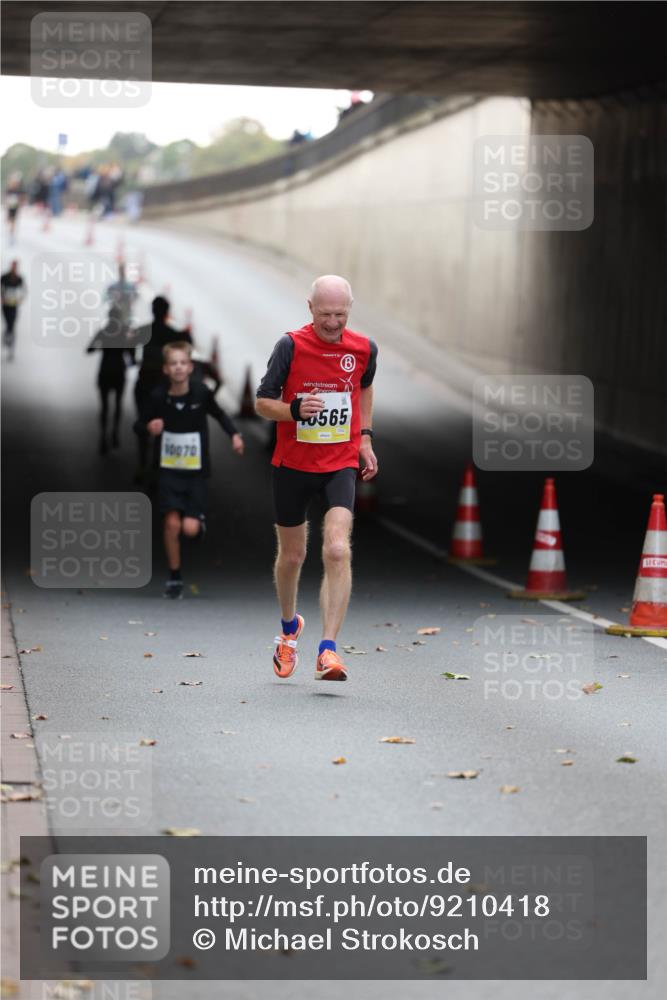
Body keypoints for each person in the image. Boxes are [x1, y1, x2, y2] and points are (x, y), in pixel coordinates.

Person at [255, 274, 378, 682]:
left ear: (350, 309)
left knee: (338, 548)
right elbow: (261, 403)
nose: (332, 323)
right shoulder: (290, 345)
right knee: (292, 557)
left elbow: (364, 388)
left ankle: (328, 651)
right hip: (292, 463)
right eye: (325, 314)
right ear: (310, 308)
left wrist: (363, 438)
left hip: (339, 462)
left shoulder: (363, 348)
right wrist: (292, 410)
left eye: (340, 315)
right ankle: (290, 630)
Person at [137, 342, 244, 599]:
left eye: (183, 363)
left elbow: (220, 414)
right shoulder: (158, 397)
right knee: (171, 524)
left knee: (189, 529)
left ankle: (198, 525)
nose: (178, 368)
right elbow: (138, 425)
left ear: (190, 366)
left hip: (196, 473)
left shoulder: (200, 393)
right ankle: (175, 577)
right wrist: (149, 427)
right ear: (166, 368)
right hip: (168, 472)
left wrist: (235, 435)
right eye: (173, 363)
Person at [133, 296, 192, 482]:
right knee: (163, 428)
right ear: (167, 312)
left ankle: (143, 466)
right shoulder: (172, 334)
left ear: (152, 310)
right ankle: (155, 468)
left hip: (144, 383)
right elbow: (188, 343)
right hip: (162, 386)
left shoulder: (143, 331)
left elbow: (126, 346)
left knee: (143, 424)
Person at [86, 305, 136, 454]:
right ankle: (114, 432)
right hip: (119, 371)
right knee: (118, 404)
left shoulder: (103, 332)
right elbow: (132, 358)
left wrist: (101, 347)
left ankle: (103, 436)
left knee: (104, 406)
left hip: (105, 370)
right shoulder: (124, 334)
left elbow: (89, 350)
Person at [1, 260, 26, 361]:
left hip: (14, 306)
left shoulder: (19, 279)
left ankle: (11, 349)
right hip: (5, 305)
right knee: (8, 324)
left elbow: (23, 291)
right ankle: (6, 335)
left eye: (16, 266)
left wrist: (20, 299)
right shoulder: (4, 277)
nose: (14, 268)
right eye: (13, 266)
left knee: (12, 325)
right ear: (11, 266)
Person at [106, 263, 138, 331]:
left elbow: (136, 296)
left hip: (126, 314)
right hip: (116, 314)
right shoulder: (113, 286)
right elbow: (106, 297)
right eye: (121, 271)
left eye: (123, 271)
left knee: (125, 329)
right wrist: (114, 297)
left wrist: (131, 300)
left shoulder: (131, 286)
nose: (122, 273)